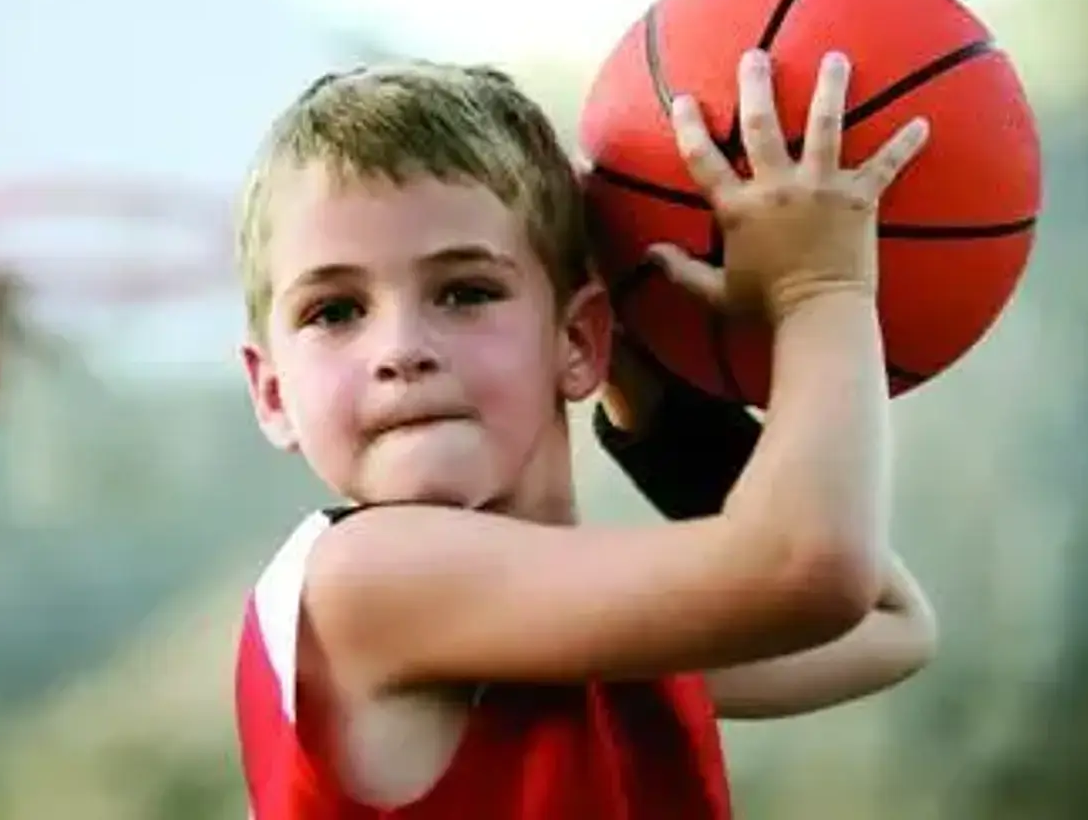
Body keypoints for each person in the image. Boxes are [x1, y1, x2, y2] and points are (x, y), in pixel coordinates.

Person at [233, 51, 938, 819]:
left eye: (466, 292)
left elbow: (884, 623)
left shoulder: (585, 631)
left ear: (578, 340)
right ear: (271, 390)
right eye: (334, 311)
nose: (400, 349)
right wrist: (819, 288)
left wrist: (646, 383)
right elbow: (814, 572)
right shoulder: (361, 582)